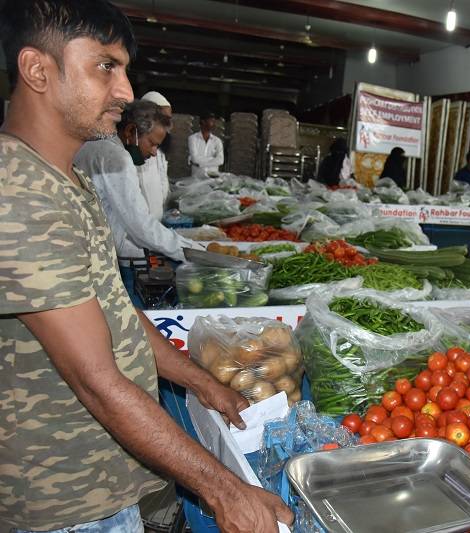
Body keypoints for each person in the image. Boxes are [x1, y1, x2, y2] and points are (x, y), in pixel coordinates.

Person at [0, 3, 292, 533]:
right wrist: (223, 489)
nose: (126, 92)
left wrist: (200, 381)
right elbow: (96, 380)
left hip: (102, 482)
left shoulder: (66, 181)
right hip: (64, 501)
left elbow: (116, 312)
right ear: (37, 69)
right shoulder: (19, 190)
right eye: (105, 66)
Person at [75, 99, 201, 306]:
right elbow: (140, 226)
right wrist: (191, 252)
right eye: (152, 143)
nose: (153, 152)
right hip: (100, 259)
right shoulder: (116, 156)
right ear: (131, 130)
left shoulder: (94, 145)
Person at [138, 90, 172, 219]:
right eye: (165, 120)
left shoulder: (159, 149)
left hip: (156, 223)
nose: (168, 126)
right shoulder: (135, 154)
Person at [188, 111, 224, 178]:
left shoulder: (217, 141)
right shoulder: (192, 139)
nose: (214, 124)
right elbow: (194, 159)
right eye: (211, 121)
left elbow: (220, 160)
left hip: (213, 179)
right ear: (203, 122)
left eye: (214, 121)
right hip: (196, 178)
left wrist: (200, 164)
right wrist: (213, 159)